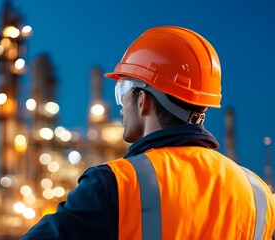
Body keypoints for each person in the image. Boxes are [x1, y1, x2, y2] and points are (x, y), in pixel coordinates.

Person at [21, 26, 275, 239]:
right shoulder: (258, 192)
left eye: (122, 94)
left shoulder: (114, 184)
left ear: (143, 100)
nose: (120, 108)